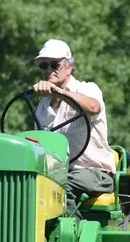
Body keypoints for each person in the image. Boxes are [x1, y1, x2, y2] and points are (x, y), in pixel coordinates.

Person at [31, 39, 114, 216]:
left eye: (55, 65)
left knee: (60, 188)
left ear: (69, 67)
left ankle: (69, 232)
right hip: (55, 172)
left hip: (93, 172)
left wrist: (59, 92)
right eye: (43, 66)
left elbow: (93, 107)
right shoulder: (43, 104)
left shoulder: (87, 89)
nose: (48, 70)